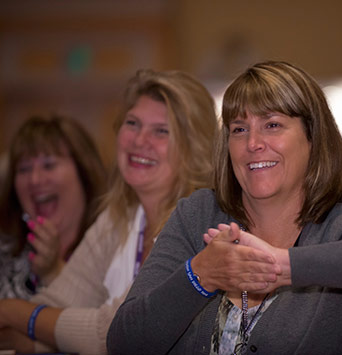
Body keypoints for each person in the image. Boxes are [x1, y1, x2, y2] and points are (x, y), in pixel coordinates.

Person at [107, 61, 342, 355]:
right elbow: (124, 342)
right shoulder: (198, 214)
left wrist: (281, 266)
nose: (252, 143)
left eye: (273, 125)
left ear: (313, 139)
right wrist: (201, 275)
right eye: (239, 129)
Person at [0, 69, 218, 354]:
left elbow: (113, 332)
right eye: (132, 123)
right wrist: (30, 335)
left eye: (161, 131)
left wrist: (11, 312)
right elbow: (57, 302)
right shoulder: (119, 218)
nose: (140, 141)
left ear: (194, 146)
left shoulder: (199, 225)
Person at [0, 115, 107, 299]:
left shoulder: (112, 251)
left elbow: (105, 323)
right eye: (24, 169)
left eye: (49, 165)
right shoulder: (4, 252)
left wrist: (54, 271)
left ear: (84, 174)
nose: (35, 180)